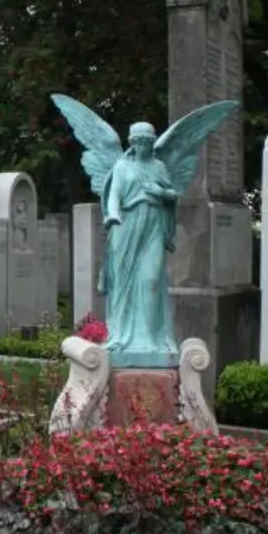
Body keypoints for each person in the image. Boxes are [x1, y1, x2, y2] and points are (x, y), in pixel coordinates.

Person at [101, 123, 179, 368]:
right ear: (132, 143)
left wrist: (161, 192)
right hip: (128, 226)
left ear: (152, 143)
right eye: (138, 141)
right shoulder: (122, 166)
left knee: (152, 279)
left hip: (153, 225)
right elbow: (113, 196)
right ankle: (126, 336)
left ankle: (151, 338)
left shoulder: (159, 167)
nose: (142, 145)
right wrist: (112, 215)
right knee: (125, 282)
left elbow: (172, 195)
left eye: (147, 141)